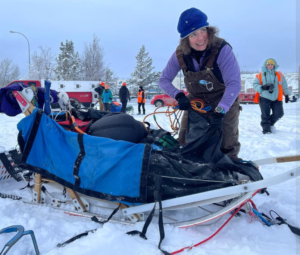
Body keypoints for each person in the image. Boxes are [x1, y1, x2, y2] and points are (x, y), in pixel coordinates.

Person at [159, 8, 242, 161]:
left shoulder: (222, 49)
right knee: (185, 142)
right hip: (196, 103)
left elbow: (234, 84)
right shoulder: (180, 54)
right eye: (193, 34)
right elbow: (163, 80)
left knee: (226, 145)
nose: (200, 38)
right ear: (185, 39)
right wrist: (178, 95)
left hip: (224, 102)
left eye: (203, 30)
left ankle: (232, 172)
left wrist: (220, 110)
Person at [253, 58, 290, 134]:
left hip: (276, 98)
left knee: (279, 113)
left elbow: (284, 85)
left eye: (272, 64)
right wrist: (262, 87)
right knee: (265, 115)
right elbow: (255, 84)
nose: (270, 66)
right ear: (265, 65)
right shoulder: (260, 75)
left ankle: (269, 124)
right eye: (268, 64)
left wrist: (286, 95)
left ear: (274, 65)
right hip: (264, 98)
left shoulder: (279, 74)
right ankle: (266, 130)